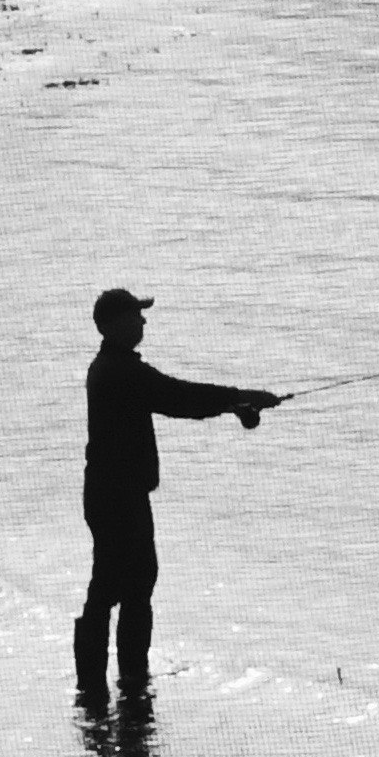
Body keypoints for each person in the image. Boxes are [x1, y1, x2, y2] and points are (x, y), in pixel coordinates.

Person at [81, 286, 277, 694]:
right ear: (115, 324)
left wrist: (234, 403)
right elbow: (177, 397)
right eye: (136, 315)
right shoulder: (119, 372)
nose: (143, 321)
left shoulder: (112, 368)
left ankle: (116, 683)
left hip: (118, 494)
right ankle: (114, 683)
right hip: (118, 499)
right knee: (119, 588)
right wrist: (239, 398)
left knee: (127, 584)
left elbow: (177, 397)